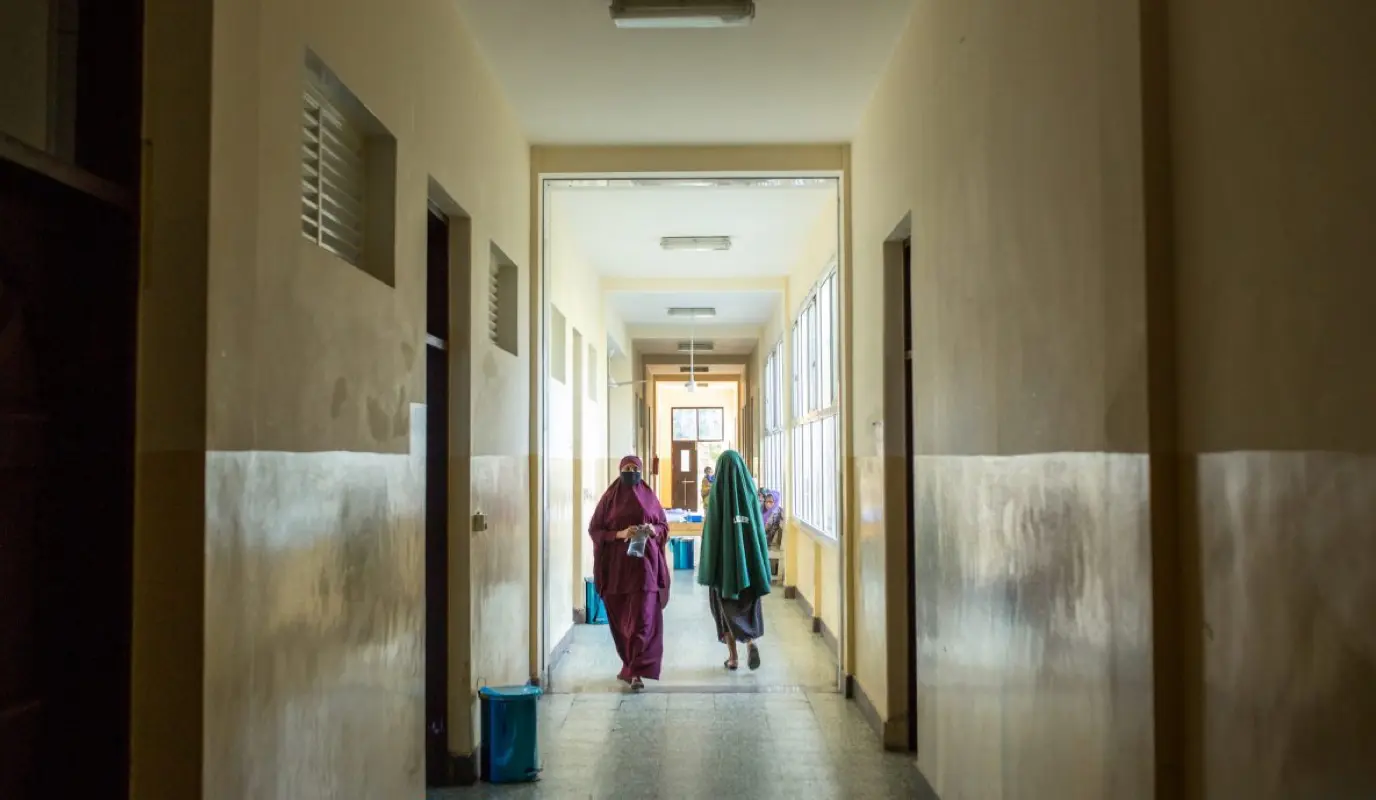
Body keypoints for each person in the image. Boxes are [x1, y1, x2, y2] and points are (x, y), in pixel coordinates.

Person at [588, 455, 671, 691]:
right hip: (617, 570)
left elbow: (664, 526)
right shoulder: (609, 499)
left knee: (643, 620)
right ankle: (629, 664)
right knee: (621, 623)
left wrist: (651, 529)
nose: (631, 471)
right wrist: (620, 534)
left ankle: (637, 672)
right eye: (627, 468)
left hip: (645, 570)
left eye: (635, 468)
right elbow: (595, 530)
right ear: (620, 470)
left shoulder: (649, 497)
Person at [697, 450, 772, 671]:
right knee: (748, 607)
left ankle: (733, 658)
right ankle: (750, 641)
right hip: (749, 568)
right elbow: (758, 532)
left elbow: (711, 537)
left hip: (724, 572)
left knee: (724, 610)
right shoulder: (750, 495)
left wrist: (709, 566)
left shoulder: (717, 496)